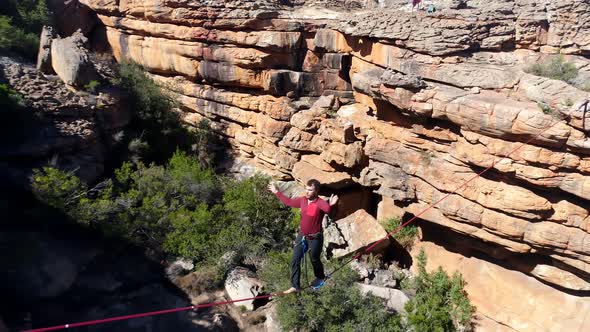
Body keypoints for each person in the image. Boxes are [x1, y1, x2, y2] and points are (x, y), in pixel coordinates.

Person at [268, 179, 338, 294]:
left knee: (314, 259)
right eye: (307, 189)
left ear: (316, 191)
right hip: (303, 236)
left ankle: (320, 277)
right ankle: (295, 286)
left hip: (315, 237)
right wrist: (277, 192)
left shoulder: (319, 202)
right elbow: (289, 202)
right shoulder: (303, 201)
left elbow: (328, 210)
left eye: (310, 190)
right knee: (295, 260)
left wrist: (331, 204)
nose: (307, 191)